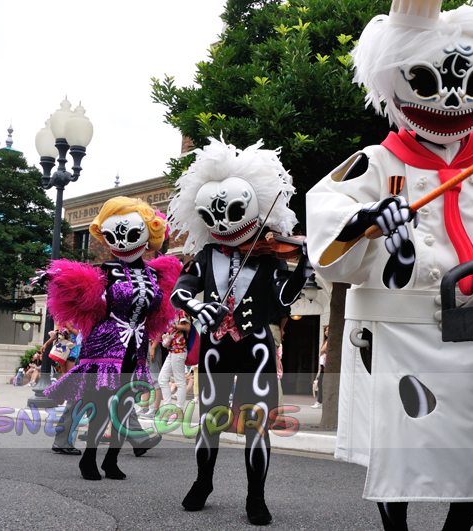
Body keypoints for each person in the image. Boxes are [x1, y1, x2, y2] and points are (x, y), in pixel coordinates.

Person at [305, 2, 473, 529]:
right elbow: (331, 212)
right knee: (400, 446)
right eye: (426, 80)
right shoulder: (377, 160)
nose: (452, 97)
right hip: (400, 333)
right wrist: (366, 220)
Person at [168, 137, 312, 525]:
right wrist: (197, 305)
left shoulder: (269, 256)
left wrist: (305, 268)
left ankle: (256, 497)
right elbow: (180, 292)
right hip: (216, 348)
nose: (222, 224)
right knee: (209, 419)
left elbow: (282, 300)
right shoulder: (205, 255)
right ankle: (203, 482)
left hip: (257, 347)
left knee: (256, 424)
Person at [39, 197, 179, 480]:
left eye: (129, 234)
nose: (121, 242)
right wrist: (59, 281)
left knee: (125, 402)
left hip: (136, 344)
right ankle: (89, 458)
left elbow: (158, 309)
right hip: (105, 344)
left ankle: (112, 460)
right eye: (113, 235)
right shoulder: (105, 271)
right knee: (102, 403)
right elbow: (85, 301)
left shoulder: (154, 274)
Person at [155, 310, 190, 417]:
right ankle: (168, 407)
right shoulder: (172, 313)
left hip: (179, 350)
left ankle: (179, 410)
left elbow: (187, 327)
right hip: (172, 350)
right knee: (162, 379)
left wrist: (174, 325)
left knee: (180, 381)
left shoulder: (182, 312)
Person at [312, 326, 328, 409]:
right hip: (323, 366)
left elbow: (322, 351)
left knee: (322, 384)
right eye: (325, 330)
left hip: (326, 366)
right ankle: (319, 401)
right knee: (321, 383)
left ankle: (319, 401)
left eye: (328, 330)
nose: (327, 332)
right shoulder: (325, 341)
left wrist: (321, 352)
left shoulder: (328, 342)